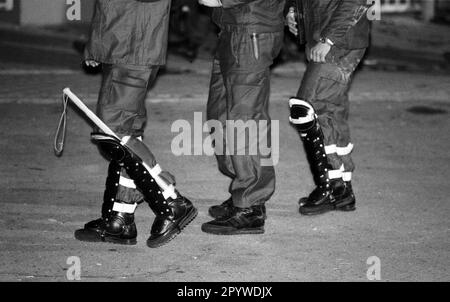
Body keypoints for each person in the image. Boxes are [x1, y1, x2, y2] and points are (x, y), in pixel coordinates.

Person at [74, 0, 197, 248]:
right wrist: (99, 45)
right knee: (126, 134)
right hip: (125, 42)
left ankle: (171, 202)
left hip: (132, 43)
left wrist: (103, 43)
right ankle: (120, 217)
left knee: (114, 134)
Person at [198, 0, 285, 235]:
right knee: (220, 114)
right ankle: (242, 189)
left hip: (251, 30)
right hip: (232, 27)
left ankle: (251, 205)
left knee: (245, 121)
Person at [286, 0, 371, 215]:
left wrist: (328, 38)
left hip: (337, 42)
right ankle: (341, 189)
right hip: (330, 38)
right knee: (329, 110)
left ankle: (329, 188)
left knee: (307, 110)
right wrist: (293, 13)